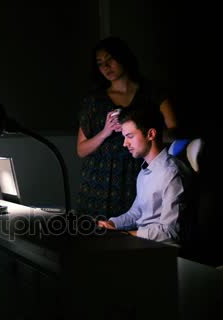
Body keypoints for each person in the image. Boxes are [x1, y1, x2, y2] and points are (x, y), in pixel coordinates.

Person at [76, 36, 179, 218]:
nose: (106, 67)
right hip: (97, 183)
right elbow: (81, 150)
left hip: (138, 175)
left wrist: (145, 133)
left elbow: (176, 132)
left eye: (110, 60)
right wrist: (105, 132)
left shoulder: (151, 92)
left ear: (123, 57)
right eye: (100, 64)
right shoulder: (94, 100)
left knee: (134, 230)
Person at [97, 108, 191, 243]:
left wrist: (125, 234)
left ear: (151, 134)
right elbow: (136, 213)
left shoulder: (171, 173)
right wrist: (111, 224)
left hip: (163, 251)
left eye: (130, 136)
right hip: (144, 244)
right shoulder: (144, 172)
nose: (125, 143)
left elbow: (170, 232)